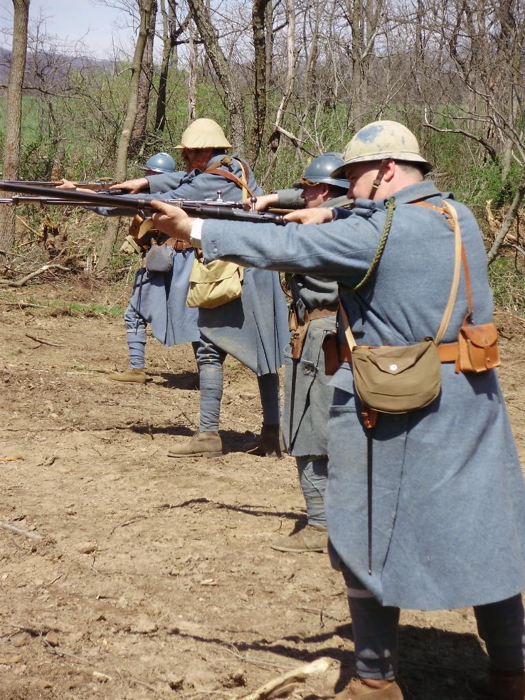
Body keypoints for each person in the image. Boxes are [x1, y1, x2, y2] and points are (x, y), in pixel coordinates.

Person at [149, 120, 525, 699]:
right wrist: (323, 209)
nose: (348, 190)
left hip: (397, 406)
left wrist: (197, 226)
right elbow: (366, 219)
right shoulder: (456, 216)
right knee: (488, 538)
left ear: (388, 171)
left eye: (355, 178)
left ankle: (374, 681)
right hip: (471, 403)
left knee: (361, 533)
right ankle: (511, 673)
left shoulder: (377, 235)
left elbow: (292, 249)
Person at [117, 118, 289, 458]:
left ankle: (209, 436)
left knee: (210, 350)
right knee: (265, 356)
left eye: (189, 154)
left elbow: (173, 196)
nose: (185, 160)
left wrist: (109, 200)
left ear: (205, 152)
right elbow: (179, 179)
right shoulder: (231, 167)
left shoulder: (210, 179)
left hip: (234, 273)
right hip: (256, 268)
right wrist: (141, 181)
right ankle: (273, 433)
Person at [253, 153, 352, 554]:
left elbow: (269, 249)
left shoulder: (322, 230)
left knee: (307, 429)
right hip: (343, 334)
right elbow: (313, 199)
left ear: (324, 192)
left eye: (308, 189)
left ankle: (320, 524)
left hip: (320, 336)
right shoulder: (357, 217)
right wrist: (268, 200)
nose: (301, 195)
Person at [107, 152, 200, 383]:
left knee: (197, 319)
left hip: (186, 265)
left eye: (151, 176)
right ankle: (136, 369)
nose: (146, 178)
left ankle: (206, 373)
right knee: (135, 312)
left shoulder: (188, 193)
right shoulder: (143, 200)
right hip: (159, 264)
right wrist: (79, 192)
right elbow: (107, 206)